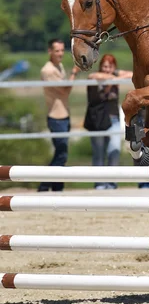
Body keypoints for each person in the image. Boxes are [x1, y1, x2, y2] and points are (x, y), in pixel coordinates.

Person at [85, 54, 133, 190]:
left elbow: (131, 74)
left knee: (114, 150)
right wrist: (113, 78)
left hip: (113, 119)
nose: (107, 69)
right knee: (99, 153)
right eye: (105, 66)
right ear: (101, 66)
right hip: (98, 121)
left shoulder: (114, 75)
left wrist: (115, 76)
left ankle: (111, 182)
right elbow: (92, 76)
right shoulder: (96, 77)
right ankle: (99, 183)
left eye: (110, 66)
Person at [37, 38, 79, 192]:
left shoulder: (59, 66)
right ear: (50, 51)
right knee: (61, 154)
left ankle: (56, 187)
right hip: (56, 117)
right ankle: (45, 185)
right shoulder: (48, 71)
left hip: (64, 115)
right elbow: (65, 90)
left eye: (62, 50)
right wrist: (74, 73)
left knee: (62, 153)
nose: (60, 53)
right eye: (57, 50)